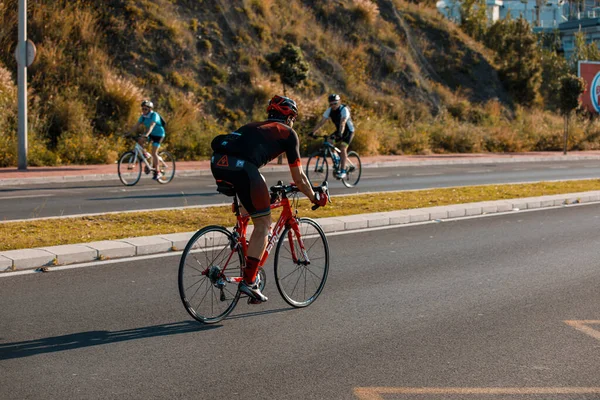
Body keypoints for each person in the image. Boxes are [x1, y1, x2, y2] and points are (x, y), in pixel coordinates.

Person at [210, 95, 328, 304]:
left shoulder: (255, 126)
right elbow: (299, 178)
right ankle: (249, 281)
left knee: (255, 201)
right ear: (290, 116)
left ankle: (240, 242)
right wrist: (315, 197)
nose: (293, 122)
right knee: (264, 224)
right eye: (293, 118)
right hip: (242, 168)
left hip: (218, 162)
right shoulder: (288, 133)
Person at [309, 94, 355, 179]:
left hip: (348, 131)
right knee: (329, 142)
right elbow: (321, 122)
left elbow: (343, 122)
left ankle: (343, 170)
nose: (333, 106)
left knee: (343, 147)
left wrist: (340, 133)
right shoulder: (329, 111)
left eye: (335, 103)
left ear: (339, 102)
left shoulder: (344, 109)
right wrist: (313, 132)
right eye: (331, 104)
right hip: (339, 131)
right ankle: (337, 159)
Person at [128, 100, 166, 180]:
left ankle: (158, 172)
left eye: (145, 109)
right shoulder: (143, 117)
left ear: (150, 109)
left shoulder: (154, 115)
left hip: (159, 135)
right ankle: (145, 154)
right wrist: (128, 133)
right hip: (151, 134)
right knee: (139, 140)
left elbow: (152, 126)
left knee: (154, 152)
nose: (144, 111)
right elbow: (136, 126)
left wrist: (146, 135)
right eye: (143, 109)